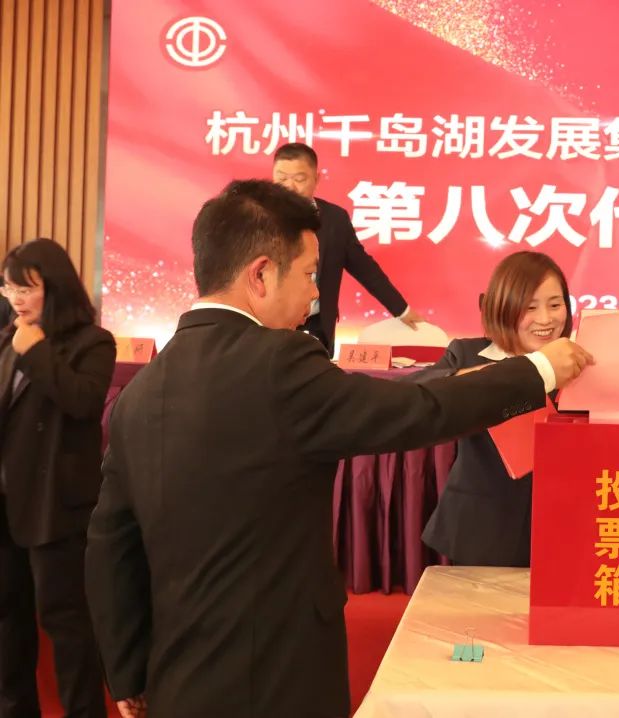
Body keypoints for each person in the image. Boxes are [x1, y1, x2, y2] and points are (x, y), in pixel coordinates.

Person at [84, 180, 591, 718]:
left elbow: (110, 542)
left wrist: (127, 671)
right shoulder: (281, 364)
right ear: (260, 275)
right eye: (309, 275)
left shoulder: (140, 392)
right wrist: (538, 371)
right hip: (280, 676)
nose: (315, 296)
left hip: (176, 679)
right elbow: (417, 410)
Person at [0, 238, 116, 718]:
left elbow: (83, 402)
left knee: (66, 624)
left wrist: (36, 351)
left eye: (26, 288)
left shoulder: (93, 342)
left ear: (56, 286)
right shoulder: (9, 338)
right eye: (9, 288)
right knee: (8, 625)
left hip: (54, 507)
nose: (16, 299)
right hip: (6, 504)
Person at [406, 251, 572, 567]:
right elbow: (415, 394)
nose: (546, 319)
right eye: (530, 307)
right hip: (482, 528)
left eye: (555, 305)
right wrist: (517, 372)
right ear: (503, 307)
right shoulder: (468, 354)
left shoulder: (577, 361)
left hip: (563, 529)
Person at [271, 142, 423, 351]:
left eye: (299, 179)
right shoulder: (257, 218)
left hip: (317, 326)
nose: (289, 187)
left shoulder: (335, 219)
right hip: (270, 325)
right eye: (281, 179)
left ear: (316, 179)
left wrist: (402, 310)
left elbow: (364, 268)